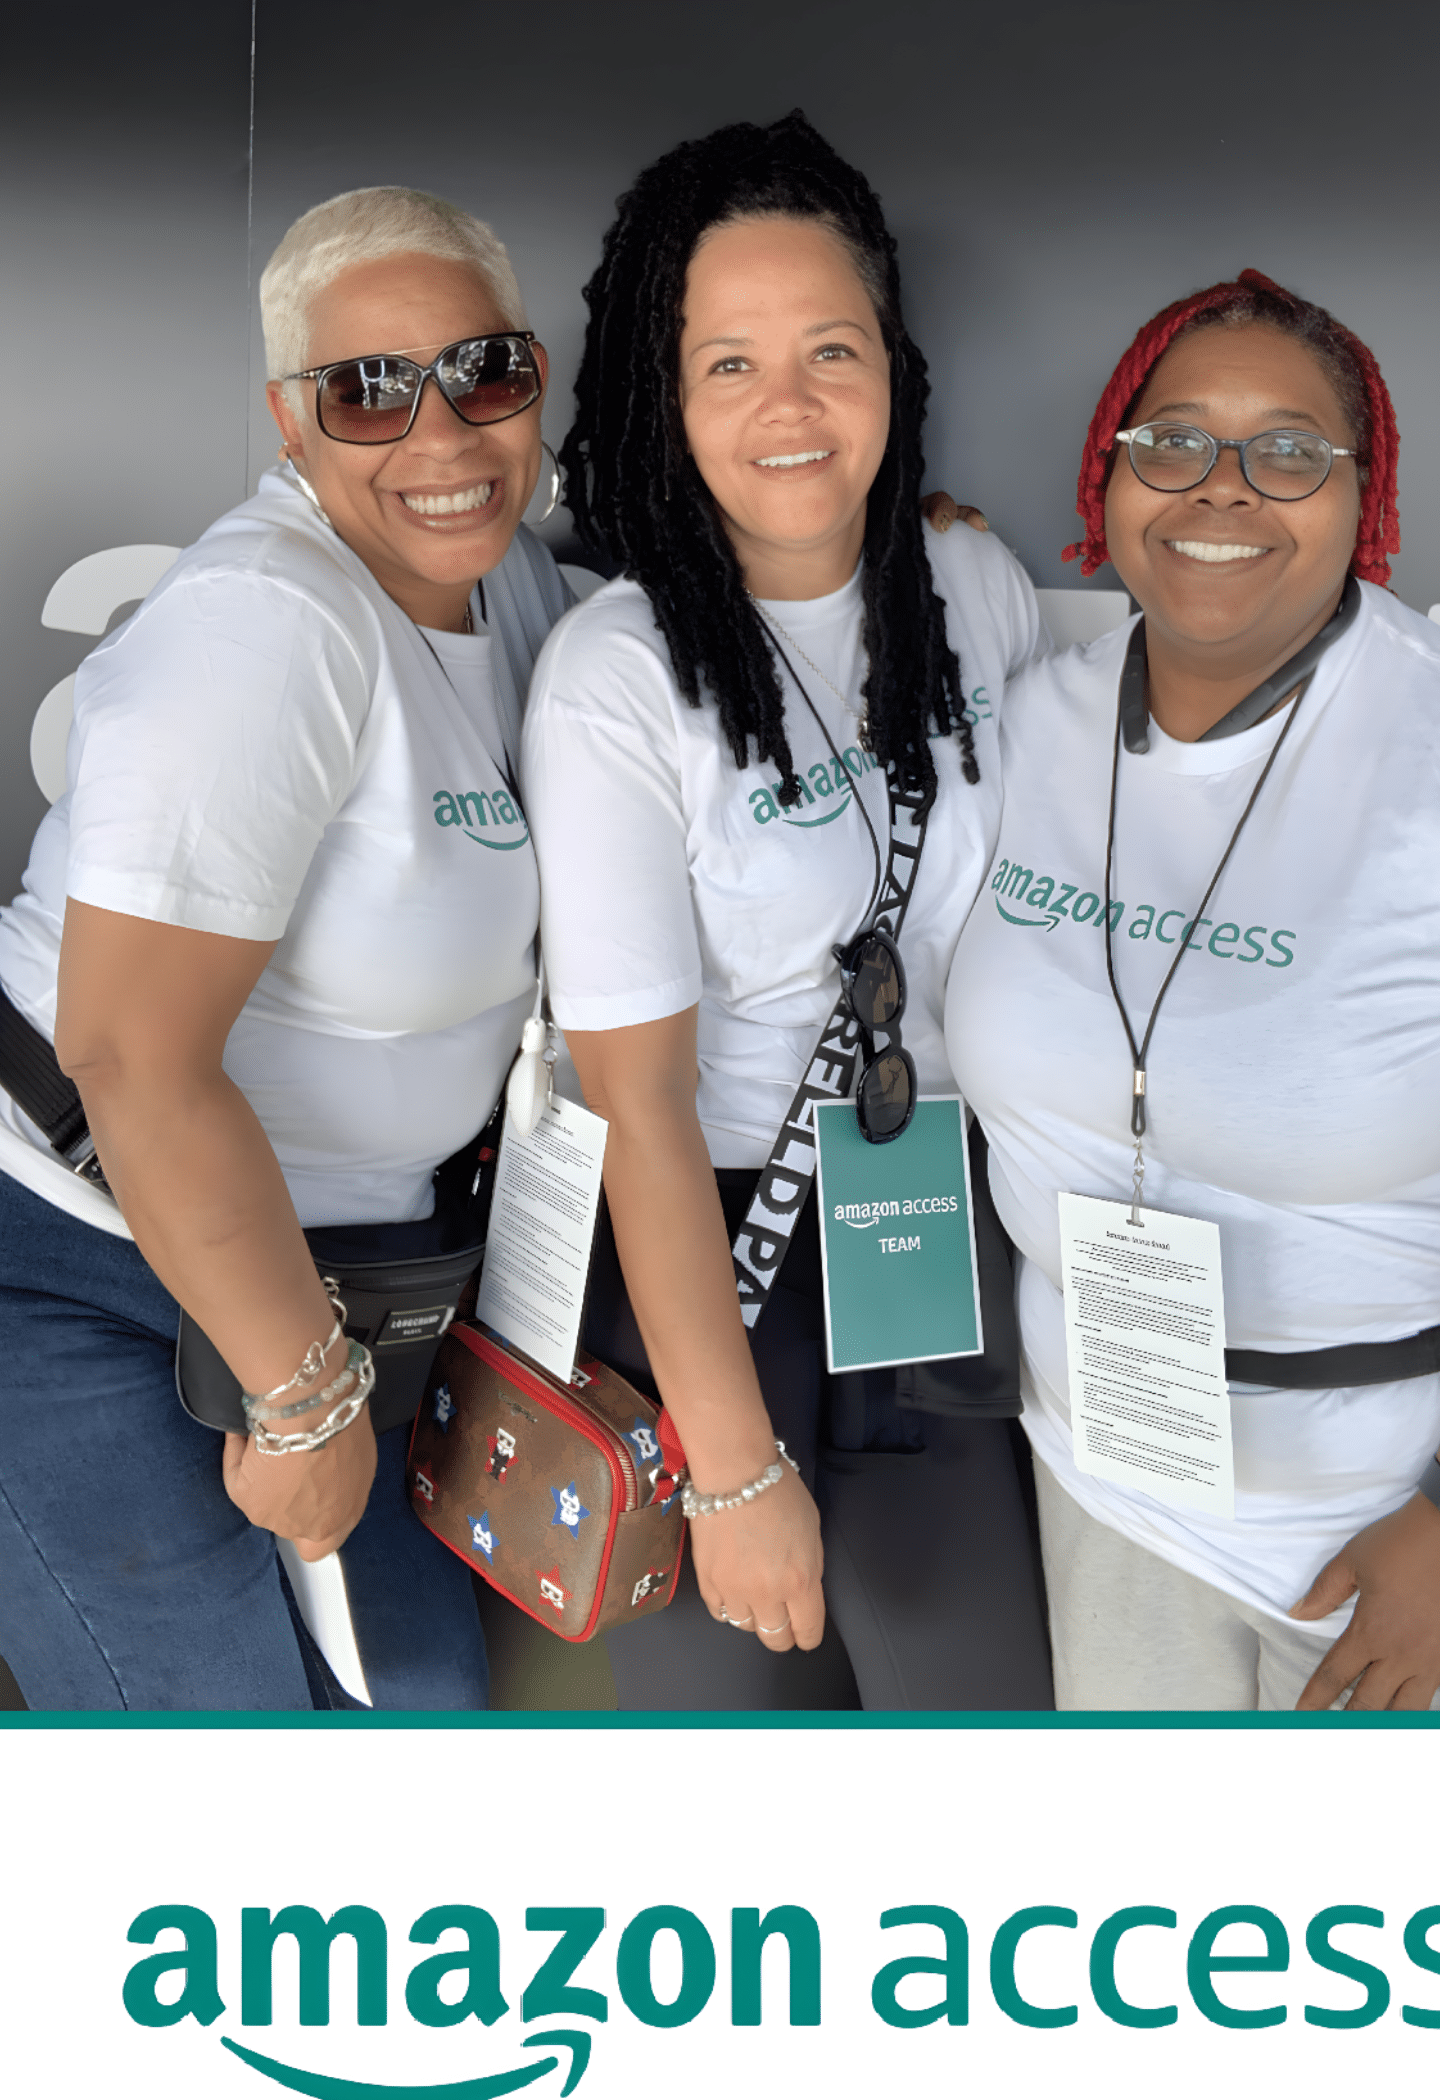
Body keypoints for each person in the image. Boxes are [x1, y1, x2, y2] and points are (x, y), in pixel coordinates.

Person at [945, 268, 1440, 1711]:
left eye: (1288, 451)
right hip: (1106, 1485)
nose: (1220, 492)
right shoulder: (1029, 727)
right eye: (1170, 440)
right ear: (1108, 472)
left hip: (1399, 1537)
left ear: (1363, 498)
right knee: (1156, 1928)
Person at [0, 186, 573, 1708]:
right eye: (368, 390)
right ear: (289, 423)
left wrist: (887, 533)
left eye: (485, 371)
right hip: (72, 1256)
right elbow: (127, 1049)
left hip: (341, 1278)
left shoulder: (500, 578)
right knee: (215, 1763)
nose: (439, 434)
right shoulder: (268, 620)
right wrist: (309, 1408)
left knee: (421, 1722)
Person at [525, 113, 1054, 1709]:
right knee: (722, 1774)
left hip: (936, 1230)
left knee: (985, 1718)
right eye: (728, 364)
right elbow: (641, 1104)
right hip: (713, 1268)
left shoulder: (978, 592)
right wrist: (738, 1473)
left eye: (831, 350)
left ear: (895, 367)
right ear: (659, 399)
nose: (791, 406)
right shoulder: (618, 677)